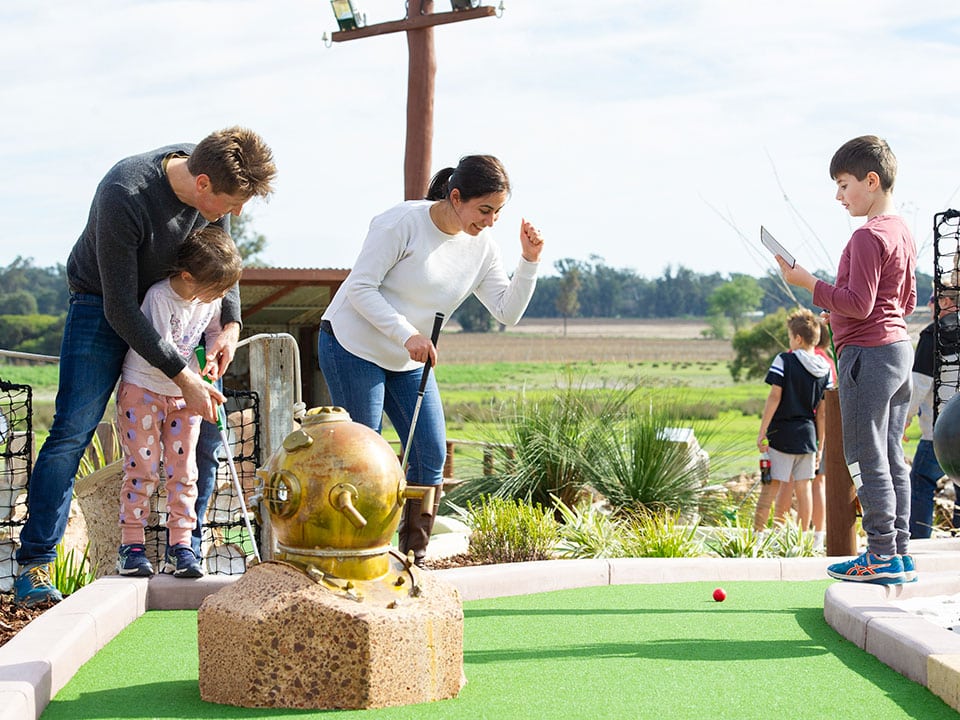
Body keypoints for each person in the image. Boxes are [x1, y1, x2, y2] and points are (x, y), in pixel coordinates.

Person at [13, 127, 276, 606]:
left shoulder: (214, 188)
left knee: (207, 434)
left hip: (182, 304)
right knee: (73, 429)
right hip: (103, 305)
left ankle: (186, 546)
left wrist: (231, 326)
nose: (235, 213)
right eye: (232, 203)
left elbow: (224, 263)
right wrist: (183, 376)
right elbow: (120, 307)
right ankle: (33, 565)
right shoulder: (124, 193)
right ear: (201, 184)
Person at [318, 154, 544, 566]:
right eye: (485, 210)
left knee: (429, 452)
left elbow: (507, 312)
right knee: (367, 452)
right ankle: (357, 552)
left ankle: (412, 556)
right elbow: (360, 289)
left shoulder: (482, 248)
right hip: (353, 345)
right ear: (456, 197)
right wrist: (408, 334)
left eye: (498, 212)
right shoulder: (400, 223)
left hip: (408, 360)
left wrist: (528, 262)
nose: (491, 221)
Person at [778, 135, 917, 584]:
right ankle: (898, 552)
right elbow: (906, 301)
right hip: (898, 352)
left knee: (863, 454)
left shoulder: (865, 236)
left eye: (843, 185)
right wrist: (837, 306)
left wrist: (809, 283)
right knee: (892, 454)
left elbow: (859, 304)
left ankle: (878, 555)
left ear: (870, 181)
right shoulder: (901, 232)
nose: (838, 197)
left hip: (868, 357)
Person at [115, 226, 242, 579]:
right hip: (144, 391)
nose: (219, 297)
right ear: (187, 276)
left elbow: (215, 329)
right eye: (214, 288)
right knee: (143, 469)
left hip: (186, 397)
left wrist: (217, 353)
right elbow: (162, 352)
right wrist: (195, 384)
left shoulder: (210, 299)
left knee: (185, 472)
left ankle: (182, 546)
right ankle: (132, 545)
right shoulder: (159, 297)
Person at [753, 309, 833, 536]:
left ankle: (758, 537)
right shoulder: (824, 369)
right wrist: (820, 445)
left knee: (771, 487)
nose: (789, 341)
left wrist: (762, 432)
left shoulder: (784, 360)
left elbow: (774, 397)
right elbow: (822, 412)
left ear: (798, 338)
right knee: (804, 487)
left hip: (782, 434)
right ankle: (801, 540)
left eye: (790, 337)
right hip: (808, 437)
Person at [905, 290, 960, 538]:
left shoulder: (933, 333)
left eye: (933, 302)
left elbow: (920, 384)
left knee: (921, 480)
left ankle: (918, 539)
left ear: (946, 301)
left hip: (941, 430)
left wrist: (904, 419)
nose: (930, 308)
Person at [810, 316, 838, 552]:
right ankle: (819, 535)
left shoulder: (809, 358)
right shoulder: (830, 362)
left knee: (809, 482)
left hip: (810, 429)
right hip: (827, 429)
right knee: (820, 482)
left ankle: (808, 537)